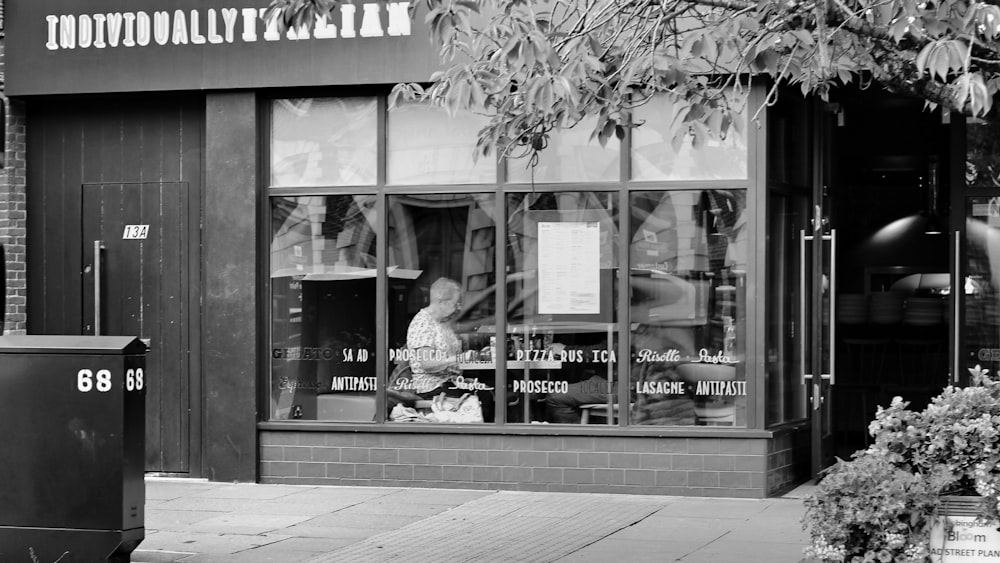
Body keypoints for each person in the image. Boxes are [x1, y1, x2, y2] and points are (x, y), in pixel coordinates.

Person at [389, 277, 494, 420]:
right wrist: (460, 359)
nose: (459, 308)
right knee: (482, 399)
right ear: (441, 301)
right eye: (456, 303)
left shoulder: (444, 324)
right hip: (432, 388)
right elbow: (427, 364)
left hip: (450, 383)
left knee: (489, 391)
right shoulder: (423, 323)